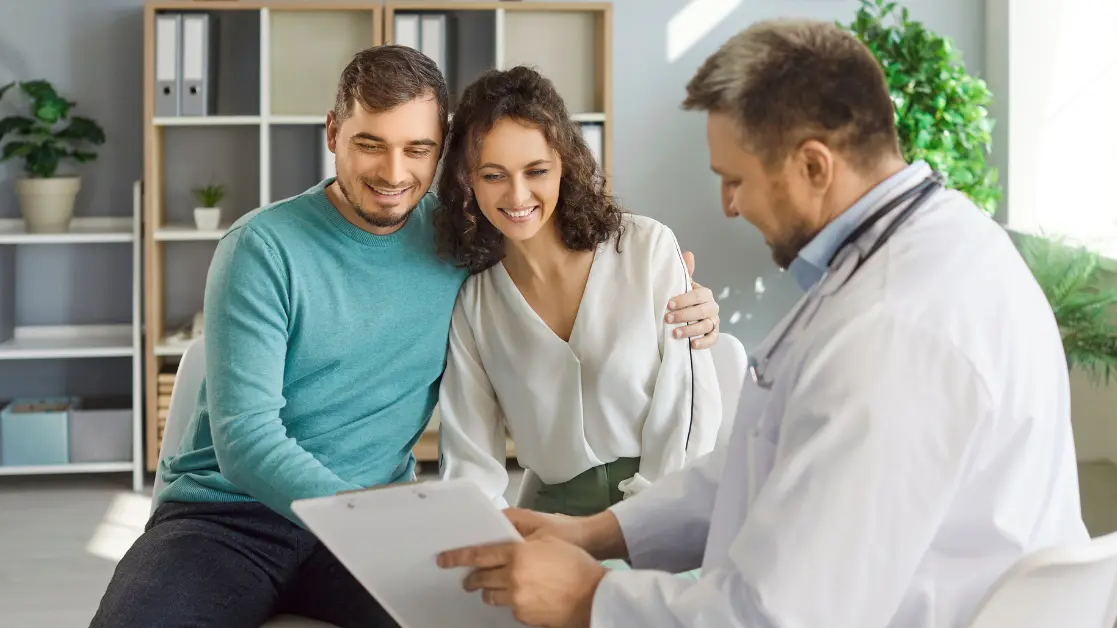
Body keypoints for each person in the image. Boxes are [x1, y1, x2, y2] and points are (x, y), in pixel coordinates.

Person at [437, 18, 1089, 628]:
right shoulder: (947, 243)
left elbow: (774, 616)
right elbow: (761, 465)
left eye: (735, 179)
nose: (726, 206)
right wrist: (600, 533)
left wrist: (590, 596)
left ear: (813, 166)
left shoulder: (891, 332)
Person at [90, 45, 720, 628]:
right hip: (227, 521)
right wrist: (374, 521)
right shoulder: (261, 248)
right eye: (370, 143)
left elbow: (570, 256)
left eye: (417, 149)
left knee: (490, 618)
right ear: (333, 133)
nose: (394, 172)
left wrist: (689, 299)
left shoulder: (460, 242)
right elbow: (245, 440)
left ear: (442, 151)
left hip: (372, 519)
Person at [432, 65, 722, 515]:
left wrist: (642, 529)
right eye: (493, 175)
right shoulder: (475, 304)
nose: (517, 194)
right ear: (466, 180)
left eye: (536, 170)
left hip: (663, 510)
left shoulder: (646, 248)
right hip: (550, 523)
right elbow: (470, 464)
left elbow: (687, 413)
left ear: (564, 164)